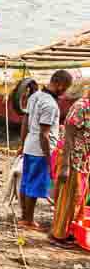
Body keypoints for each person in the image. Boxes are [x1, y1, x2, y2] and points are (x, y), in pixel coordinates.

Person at [19, 70, 73, 230]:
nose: (65, 92)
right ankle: (28, 220)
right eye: (66, 88)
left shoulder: (35, 96)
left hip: (30, 145)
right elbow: (45, 134)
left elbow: (25, 122)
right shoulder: (50, 104)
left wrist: (22, 145)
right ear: (60, 84)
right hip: (40, 150)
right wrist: (49, 158)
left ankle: (24, 216)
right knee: (35, 185)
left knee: (26, 182)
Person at [51, 85, 90, 248]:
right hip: (73, 159)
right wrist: (65, 165)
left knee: (77, 199)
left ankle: (70, 231)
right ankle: (58, 235)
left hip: (84, 161)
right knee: (68, 198)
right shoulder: (81, 107)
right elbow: (68, 136)